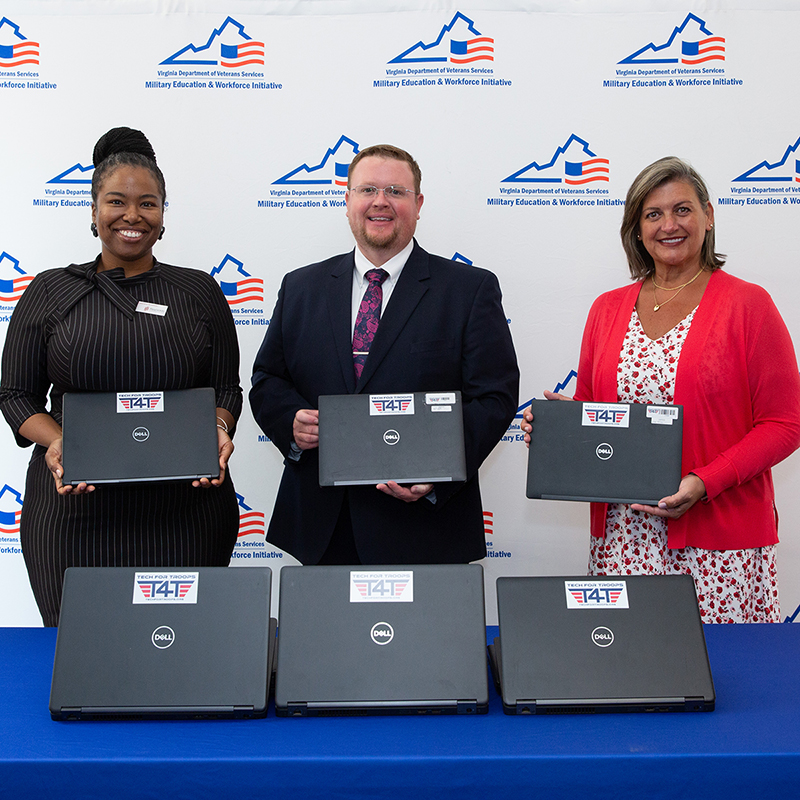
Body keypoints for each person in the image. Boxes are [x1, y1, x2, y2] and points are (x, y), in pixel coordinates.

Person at [522, 156, 800, 623]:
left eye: (683, 210)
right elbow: (598, 416)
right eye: (653, 214)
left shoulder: (748, 305)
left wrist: (704, 483)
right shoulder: (607, 309)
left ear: (709, 216)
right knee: (624, 679)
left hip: (717, 541)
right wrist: (561, 431)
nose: (669, 225)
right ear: (636, 228)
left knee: (720, 685)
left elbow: (785, 423)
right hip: (622, 542)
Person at [0, 127, 242, 626]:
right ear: (93, 212)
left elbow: (226, 388)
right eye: (116, 201)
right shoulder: (50, 291)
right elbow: (15, 394)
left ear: (162, 215)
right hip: (75, 512)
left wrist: (217, 431)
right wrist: (59, 443)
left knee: (182, 656)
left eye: (148, 204)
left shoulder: (198, 292)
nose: (132, 216)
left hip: (186, 513)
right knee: (82, 663)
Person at [250, 143, 519, 565]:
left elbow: (494, 397)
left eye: (396, 190)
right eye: (367, 190)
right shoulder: (302, 287)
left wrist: (439, 470)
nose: (380, 201)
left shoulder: (468, 291)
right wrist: (290, 423)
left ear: (418, 203)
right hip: (322, 527)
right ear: (347, 202)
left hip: (424, 527)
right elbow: (267, 379)